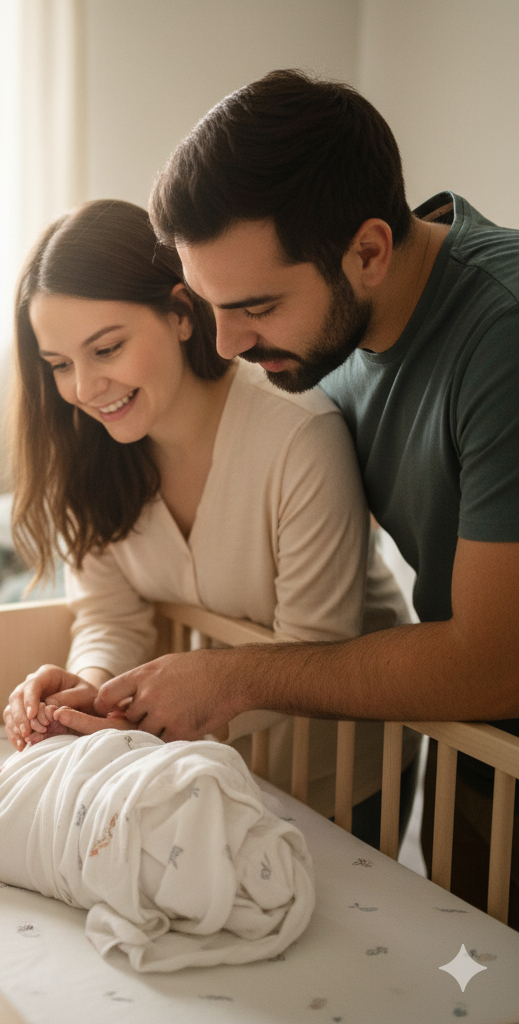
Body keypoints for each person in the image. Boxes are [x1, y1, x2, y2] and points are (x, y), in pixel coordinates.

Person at [91, 68, 519, 921]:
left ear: (368, 251)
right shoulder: (333, 326)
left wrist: (231, 679)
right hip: (475, 746)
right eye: (206, 305)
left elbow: (493, 662)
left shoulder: (500, 337)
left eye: (255, 306)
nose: (228, 341)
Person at [1, 197, 411, 835]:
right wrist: (88, 691)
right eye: (58, 366)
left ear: (181, 313)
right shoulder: (90, 455)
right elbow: (111, 615)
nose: (83, 388)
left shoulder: (299, 436)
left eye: (106, 349)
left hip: (330, 768)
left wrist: (135, 715)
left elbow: (314, 652)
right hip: (195, 776)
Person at [0, 724, 314, 971]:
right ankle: (218, 855)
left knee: (186, 787)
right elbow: (55, 840)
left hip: (126, 780)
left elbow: (100, 754)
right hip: (108, 826)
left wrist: (66, 734)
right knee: (160, 829)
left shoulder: (29, 757)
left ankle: (219, 831)